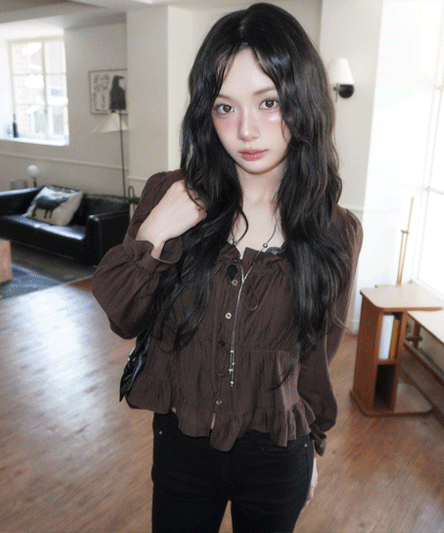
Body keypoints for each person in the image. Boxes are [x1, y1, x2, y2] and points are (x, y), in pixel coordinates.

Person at [92, 3, 363, 532]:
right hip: (182, 448)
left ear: (303, 100)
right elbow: (123, 317)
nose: (246, 130)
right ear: (205, 111)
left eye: (268, 102)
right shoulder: (167, 195)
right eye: (224, 107)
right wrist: (157, 229)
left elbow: (316, 358)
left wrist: (311, 448)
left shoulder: (335, 230)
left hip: (277, 456)